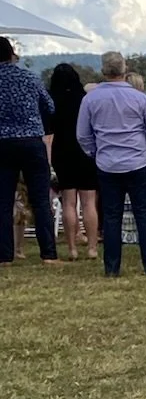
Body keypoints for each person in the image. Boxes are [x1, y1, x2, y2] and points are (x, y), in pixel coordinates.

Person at [77, 52, 146, 276]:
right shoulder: (140, 98)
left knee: (111, 216)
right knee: (144, 216)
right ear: (125, 70)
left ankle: (112, 268)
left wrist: (94, 152)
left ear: (103, 71)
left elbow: (82, 135)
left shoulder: (90, 99)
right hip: (137, 162)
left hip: (107, 164)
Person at [0, 38, 59, 265]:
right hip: (31, 140)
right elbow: (50, 106)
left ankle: (4, 255)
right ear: (11, 54)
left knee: (3, 201)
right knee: (40, 199)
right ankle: (49, 254)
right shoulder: (29, 77)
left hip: (3, 142)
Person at [47, 61, 97, 262]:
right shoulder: (85, 100)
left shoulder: (52, 101)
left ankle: (72, 248)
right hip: (84, 151)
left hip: (62, 151)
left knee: (68, 201)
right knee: (88, 202)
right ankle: (92, 247)